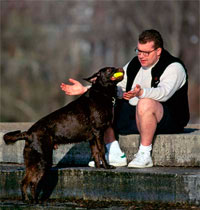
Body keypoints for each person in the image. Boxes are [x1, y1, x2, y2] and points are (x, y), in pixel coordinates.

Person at [60, 29, 190, 168]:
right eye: (138, 51)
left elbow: (164, 93)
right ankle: (114, 152)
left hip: (168, 118)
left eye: (146, 52)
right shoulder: (134, 64)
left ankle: (144, 154)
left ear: (158, 51)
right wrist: (86, 89)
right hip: (136, 115)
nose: (141, 56)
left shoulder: (174, 67)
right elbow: (115, 87)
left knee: (145, 103)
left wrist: (141, 93)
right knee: (102, 104)